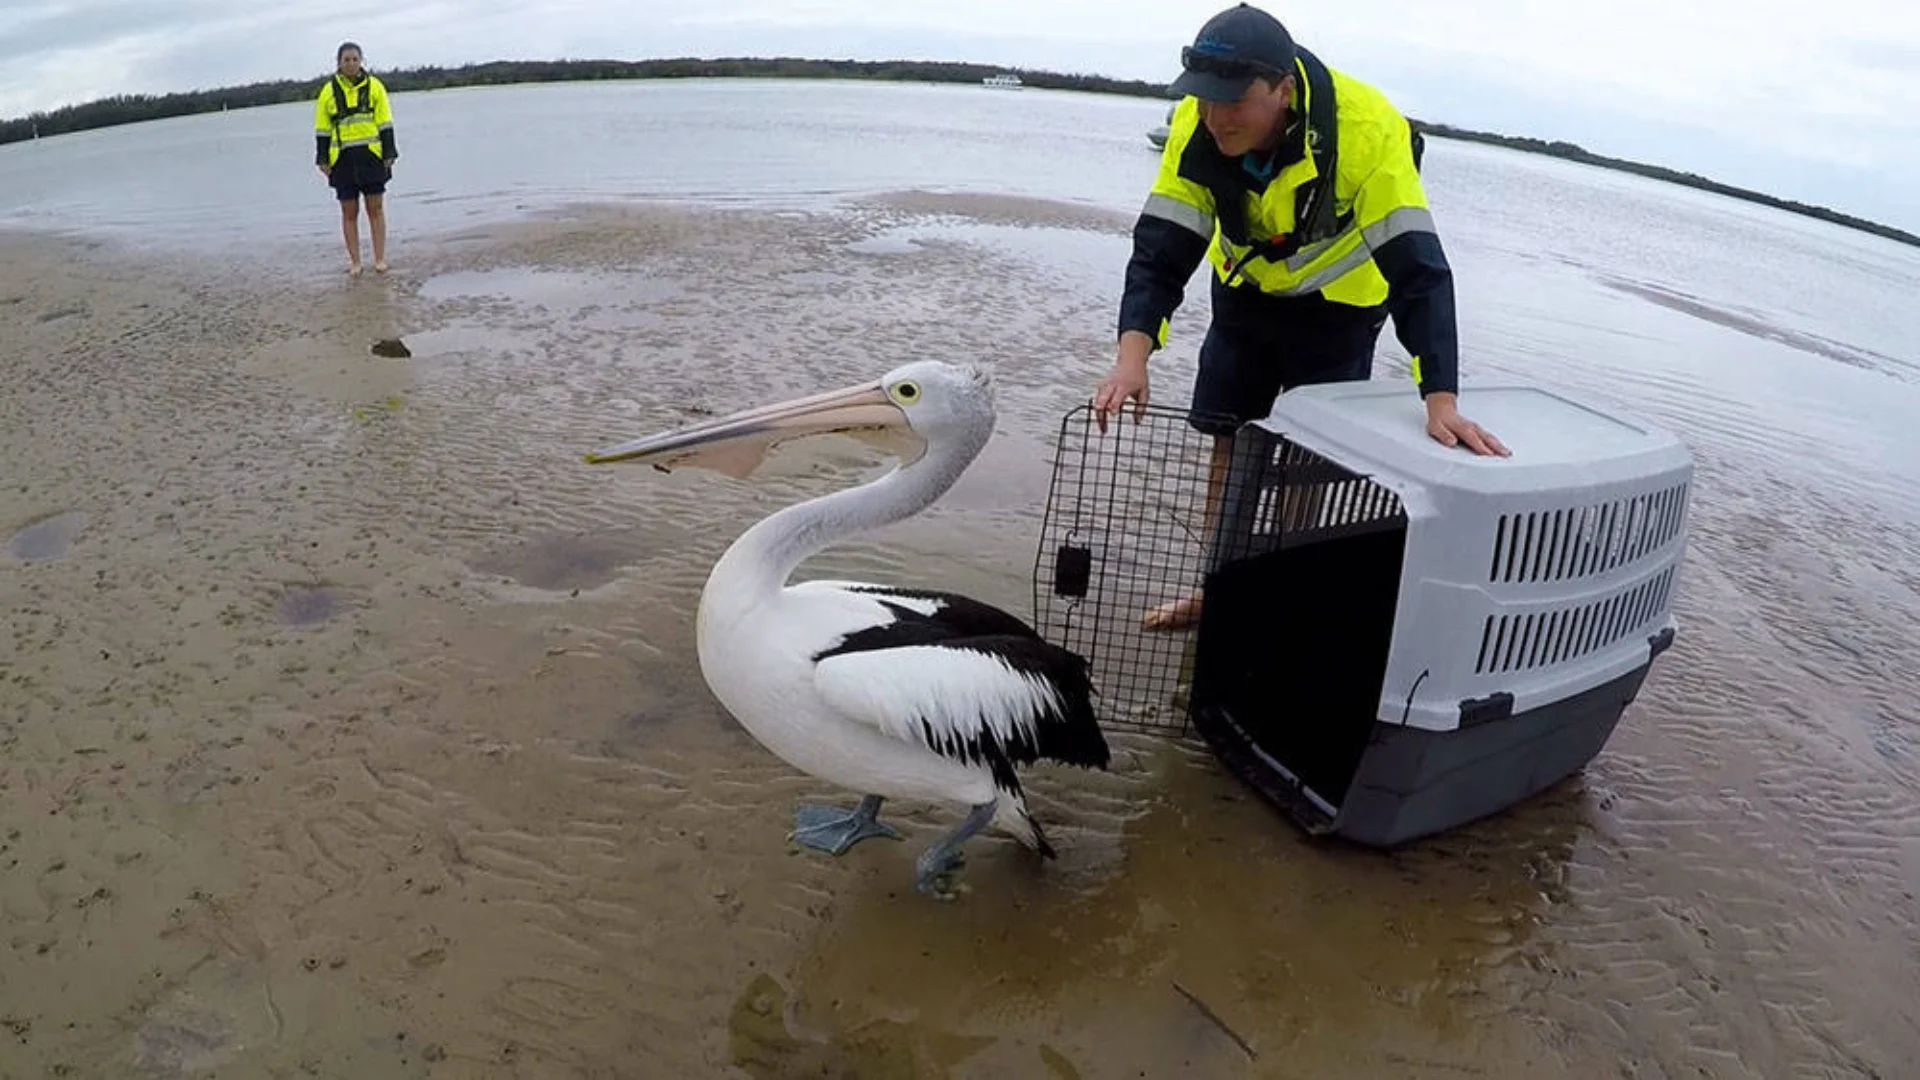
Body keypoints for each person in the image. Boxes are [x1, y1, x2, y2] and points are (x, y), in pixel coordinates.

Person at [1093, 3, 1509, 630]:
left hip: (1340, 305)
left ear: (1283, 90)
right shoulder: (1196, 120)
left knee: (1307, 453)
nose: (1215, 116)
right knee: (1229, 439)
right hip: (1246, 289)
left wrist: (1441, 399)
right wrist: (1131, 362)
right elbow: (1162, 248)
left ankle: (1277, 585)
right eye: (1204, 99)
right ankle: (1218, 586)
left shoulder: (1369, 131)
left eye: (1234, 101)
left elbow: (1419, 273)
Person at [314, 42, 398, 276]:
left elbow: (385, 121)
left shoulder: (375, 87)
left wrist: (389, 151)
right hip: (342, 160)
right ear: (338, 62)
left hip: (372, 156)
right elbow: (322, 127)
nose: (350, 64)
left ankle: (380, 259)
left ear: (361, 61)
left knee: (376, 209)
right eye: (346, 60)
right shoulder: (328, 92)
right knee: (349, 212)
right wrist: (322, 158)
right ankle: (355, 263)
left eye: (354, 59)